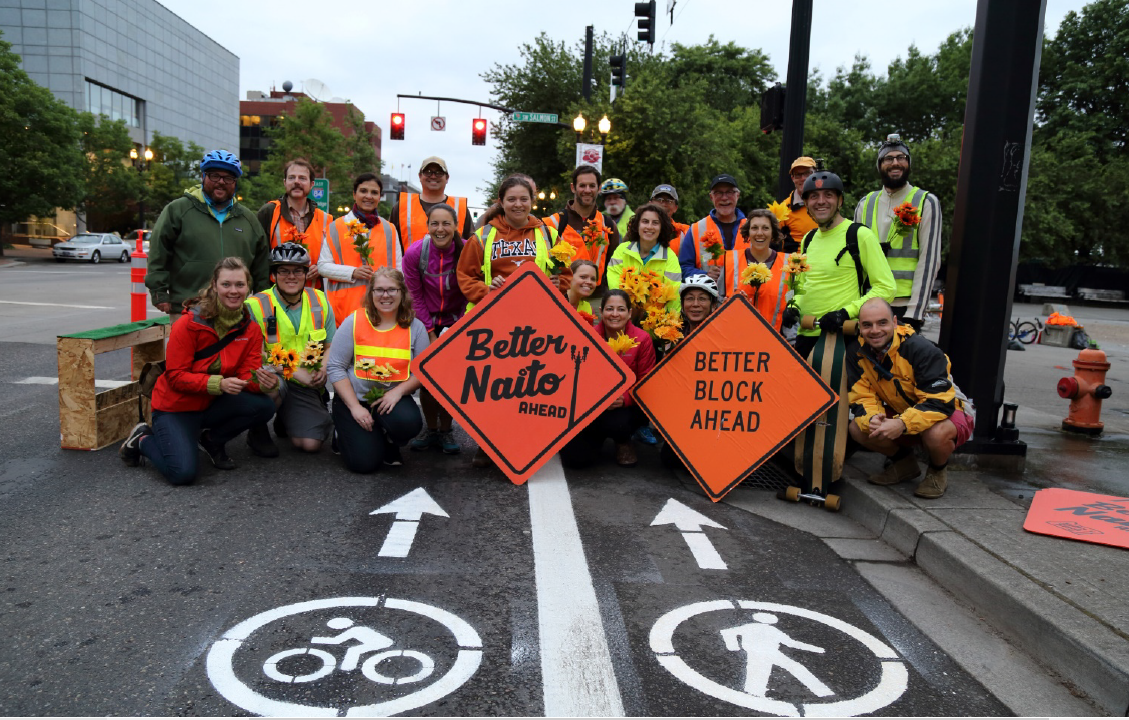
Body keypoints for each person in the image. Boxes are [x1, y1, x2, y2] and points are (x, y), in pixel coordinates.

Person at [119, 257, 276, 485]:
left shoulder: (250, 328)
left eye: (240, 285)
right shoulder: (188, 324)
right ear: (214, 285)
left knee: (264, 405)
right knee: (182, 474)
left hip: (211, 404)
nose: (234, 291)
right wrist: (218, 384)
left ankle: (211, 439)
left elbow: (247, 374)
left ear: (249, 287)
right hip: (176, 406)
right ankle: (142, 439)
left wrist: (263, 383)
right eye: (226, 284)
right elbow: (175, 376)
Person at [458, 175, 564, 468]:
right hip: (493, 324)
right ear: (501, 202)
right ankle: (486, 442)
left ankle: (522, 442)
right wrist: (486, 291)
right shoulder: (482, 236)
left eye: (524, 198)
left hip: (537, 325)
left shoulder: (548, 234)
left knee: (528, 387)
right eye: (512, 199)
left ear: (532, 200)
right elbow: (465, 276)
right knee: (491, 388)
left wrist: (559, 282)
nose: (518, 204)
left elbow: (568, 271)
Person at [847, 298, 974, 499]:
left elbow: (939, 402)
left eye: (882, 323)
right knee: (858, 428)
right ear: (860, 327)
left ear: (895, 322)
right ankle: (904, 464)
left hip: (948, 409)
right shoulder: (856, 352)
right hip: (905, 413)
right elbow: (862, 396)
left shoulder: (922, 349)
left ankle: (937, 470)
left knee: (936, 434)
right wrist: (873, 418)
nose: (875, 330)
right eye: (867, 325)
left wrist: (901, 424)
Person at [325, 268, 429, 473]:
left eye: (392, 290)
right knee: (364, 464)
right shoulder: (353, 322)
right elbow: (335, 366)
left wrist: (397, 392)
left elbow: (422, 371)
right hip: (354, 399)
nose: (385, 295)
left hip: (391, 398)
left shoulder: (415, 327)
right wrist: (355, 407)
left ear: (402, 293)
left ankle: (389, 440)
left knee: (408, 423)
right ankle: (342, 433)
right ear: (371, 293)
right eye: (379, 290)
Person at [146, 151, 270, 321]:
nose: (221, 182)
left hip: (234, 310)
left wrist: (262, 300)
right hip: (188, 306)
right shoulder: (178, 210)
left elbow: (261, 265)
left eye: (228, 178)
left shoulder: (248, 219)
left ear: (235, 183)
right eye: (214, 176)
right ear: (203, 177)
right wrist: (158, 291)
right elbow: (158, 251)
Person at [791, 170, 897, 362]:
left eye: (828, 195)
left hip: (840, 338)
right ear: (806, 204)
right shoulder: (808, 239)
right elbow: (802, 285)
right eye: (814, 197)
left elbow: (887, 287)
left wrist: (846, 312)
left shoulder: (859, 235)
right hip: (805, 336)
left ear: (840, 201)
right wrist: (794, 306)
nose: (821, 201)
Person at [245, 243, 336, 455]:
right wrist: (293, 370)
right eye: (283, 271)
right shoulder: (255, 304)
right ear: (274, 275)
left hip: (306, 383)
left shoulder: (320, 300)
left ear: (306, 273)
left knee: (310, 445)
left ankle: (286, 417)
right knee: (273, 387)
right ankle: (257, 431)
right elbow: (254, 353)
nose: (291, 276)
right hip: (271, 376)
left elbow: (330, 344)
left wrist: (322, 368)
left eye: (297, 271)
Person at [854, 135, 943, 331]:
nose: (895, 163)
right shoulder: (865, 203)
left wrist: (915, 313)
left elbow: (929, 260)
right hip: (870, 302)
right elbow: (855, 261)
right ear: (880, 165)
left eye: (901, 157)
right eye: (888, 158)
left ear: (908, 163)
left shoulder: (926, 202)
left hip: (905, 306)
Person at [559, 289, 655, 468]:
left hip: (625, 408)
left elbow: (647, 382)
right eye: (610, 309)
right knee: (576, 460)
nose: (615, 314)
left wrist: (625, 399)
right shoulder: (589, 336)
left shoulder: (643, 339)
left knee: (619, 423)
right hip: (593, 407)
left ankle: (623, 440)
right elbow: (576, 377)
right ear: (601, 312)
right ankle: (596, 439)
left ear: (629, 313)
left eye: (621, 309)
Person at [403, 204, 467, 455]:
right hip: (425, 320)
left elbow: (469, 290)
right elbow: (414, 295)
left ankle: (446, 429)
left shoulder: (466, 250)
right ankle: (431, 430)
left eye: (446, 224)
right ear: (427, 226)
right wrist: (429, 332)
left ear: (455, 226)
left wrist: (459, 327)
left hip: (457, 320)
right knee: (427, 377)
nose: (440, 229)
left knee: (451, 378)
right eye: (434, 224)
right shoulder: (414, 253)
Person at [318, 173, 402, 326]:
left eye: (374, 192)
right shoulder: (335, 227)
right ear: (354, 194)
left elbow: (399, 270)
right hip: (343, 312)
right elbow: (323, 266)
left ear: (379, 197)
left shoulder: (389, 229)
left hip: (383, 311)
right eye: (363, 191)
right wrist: (352, 272)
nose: (368, 196)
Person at [256, 157, 331, 288]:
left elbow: (333, 259)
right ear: (285, 182)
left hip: (312, 295)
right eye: (291, 178)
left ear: (312, 184)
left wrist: (321, 269)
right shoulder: (269, 212)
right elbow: (258, 258)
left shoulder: (326, 219)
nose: (296, 182)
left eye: (302, 178)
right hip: (276, 293)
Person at [544, 165, 621, 290]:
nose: (587, 190)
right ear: (573, 188)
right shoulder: (552, 223)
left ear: (599, 188)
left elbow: (613, 266)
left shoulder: (608, 225)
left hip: (595, 297)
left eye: (592, 186)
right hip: (563, 294)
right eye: (582, 185)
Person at [677, 174, 749, 299]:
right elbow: (683, 268)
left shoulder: (753, 229)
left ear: (738, 195)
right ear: (711, 197)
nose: (724, 197)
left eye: (729, 192)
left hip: (746, 301)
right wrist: (704, 275)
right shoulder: (696, 229)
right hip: (709, 303)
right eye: (718, 193)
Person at [606, 202, 682, 317]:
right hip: (623, 317)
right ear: (637, 225)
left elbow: (673, 297)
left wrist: (669, 324)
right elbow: (615, 287)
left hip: (655, 323)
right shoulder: (622, 250)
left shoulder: (670, 257)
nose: (649, 227)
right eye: (645, 221)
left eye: (655, 223)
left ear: (662, 228)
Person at [391, 156, 474, 248]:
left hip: (451, 263)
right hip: (410, 262)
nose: (433, 176)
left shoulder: (460, 208)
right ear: (420, 176)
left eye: (439, 173)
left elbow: (472, 244)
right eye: (428, 172)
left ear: (447, 178)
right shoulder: (402, 206)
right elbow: (391, 243)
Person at [737, 209, 789, 332]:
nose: (759, 233)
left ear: (773, 233)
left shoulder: (788, 264)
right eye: (754, 228)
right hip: (735, 342)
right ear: (748, 232)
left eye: (765, 228)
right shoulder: (730, 261)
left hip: (775, 341)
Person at [777, 157, 819, 253]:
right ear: (793, 178)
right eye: (798, 175)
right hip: (798, 264)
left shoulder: (829, 202)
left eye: (808, 173)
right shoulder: (782, 209)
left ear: (816, 174)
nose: (803, 178)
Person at [649, 184, 689, 254]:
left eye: (669, 201)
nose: (664, 204)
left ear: (676, 208)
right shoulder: (638, 229)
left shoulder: (684, 232)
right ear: (650, 204)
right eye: (659, 200)